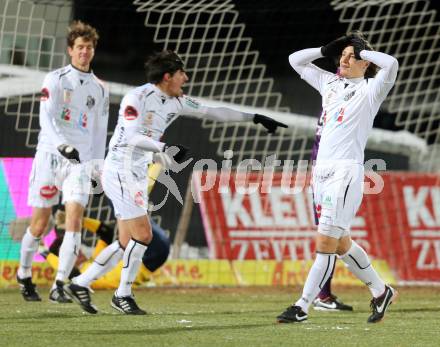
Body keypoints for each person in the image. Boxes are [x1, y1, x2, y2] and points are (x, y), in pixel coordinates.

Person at [64, 50, 287, 315]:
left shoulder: (177, 100)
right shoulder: (137, 99)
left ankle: (81, 282)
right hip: (121, 171)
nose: (186, 78)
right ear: (168, 77)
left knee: (127, 241)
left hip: (135, 172)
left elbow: (212, 112)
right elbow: (130, 139)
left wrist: (255, 117)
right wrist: (164, 147)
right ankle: (122, 294)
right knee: (144, 236)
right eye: (182, 73)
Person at [277, 31, 398, 324]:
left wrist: (363, 51)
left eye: (351, 56)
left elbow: (391, 64)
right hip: (321, 172)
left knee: (326, 241)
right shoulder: (329, 82)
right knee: (341, 243)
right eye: (342, 55)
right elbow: (295, 61)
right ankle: (381, 291)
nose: (344, 59)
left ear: (365, 64)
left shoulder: (371, 89)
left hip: (345, 173)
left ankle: (303, 306)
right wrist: (324, 48)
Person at [16, 20, 109, 303]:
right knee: (40, 224)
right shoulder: (55, 79)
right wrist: (61, 145)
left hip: (79, 163)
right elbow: (45, 118)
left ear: (93, 51)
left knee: (74, 221)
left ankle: (59, 284)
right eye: (80, 47)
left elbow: (99, 131)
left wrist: (97, 165)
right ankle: (23, 272)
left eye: (89, 47)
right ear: (71, 50)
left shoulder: (100, 88)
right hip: (50, 157)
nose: (84, 52)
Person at [311, 112, 352, 312]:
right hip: (329, 177)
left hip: (324, 175)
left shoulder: (330, 104)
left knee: (335, 236)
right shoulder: (340, 103)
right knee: (331, 235)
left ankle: (323, 295)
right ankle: (321, 297)